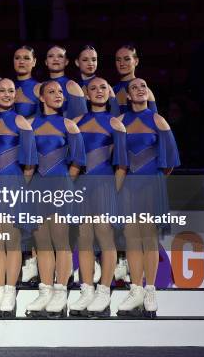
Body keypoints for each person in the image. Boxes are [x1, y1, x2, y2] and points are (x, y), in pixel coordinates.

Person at [116, 78, 179, 318]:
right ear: (128, 97)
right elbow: (118, 159)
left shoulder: (158, 120)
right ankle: (136, 288)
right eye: (134, 88)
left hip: (152, 185)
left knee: (149, 238)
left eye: (143, 86)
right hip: (129, 186)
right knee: (132, 238)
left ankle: (150, 289)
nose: (140, 90)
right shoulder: (120, 122)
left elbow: (169, 162)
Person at [26, 80, 86, 317]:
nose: (58, 95)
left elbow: (77, 162)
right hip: (37, 187)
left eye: (60, 92)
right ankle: (46, 289)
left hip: (61, 184)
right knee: (42, 242)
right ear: (42, 98)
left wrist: (65, 183)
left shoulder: (69, 125)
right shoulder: (30, 125)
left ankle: (61, 291)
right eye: (51, 92)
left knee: (60, 240)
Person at [70, 77, 128, 317]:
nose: (98, 91)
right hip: (82, 185)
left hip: (105, 185)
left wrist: (114, 192)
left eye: (103, 87)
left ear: (110, 93)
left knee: (105, 237)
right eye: (93, 88)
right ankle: (87, 289)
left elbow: (122, 165)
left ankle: (104, 291)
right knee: (84, 238)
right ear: (85, 94)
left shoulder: (116, 123)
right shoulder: (74, 123)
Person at [0, 78, 37, 318]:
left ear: (16, 95)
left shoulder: (22, 122)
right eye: (2, 91)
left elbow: (30, 162)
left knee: (12, 241)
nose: (6, 94)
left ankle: (10, 290)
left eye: (10, 91)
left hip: (14, 183)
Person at [13, 45, 41, 282]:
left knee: (32, 209)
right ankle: (22, 258)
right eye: (18, 58)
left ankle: (32, 259)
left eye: (26, 58)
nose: (21, 61)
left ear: (34, 62)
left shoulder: (40, 88)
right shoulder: (7, 87)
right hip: (12, 152)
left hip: (36, 151)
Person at [44, 45, 87, 119]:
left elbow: (81, 116)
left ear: (66, 61)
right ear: (46, 62)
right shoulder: (42, 86)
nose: (55, 59)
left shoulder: (71, 86)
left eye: (60, 56)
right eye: (51, 56)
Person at [113, 45, 157, 115]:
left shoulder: (144, 90)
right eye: (118, 60)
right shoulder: (112, 89)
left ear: (136, 61)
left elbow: (154, 120)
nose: (121, 63)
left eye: (127, 59)